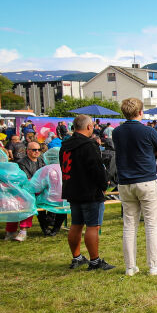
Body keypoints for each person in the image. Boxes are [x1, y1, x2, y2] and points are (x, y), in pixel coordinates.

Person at [113, 97, 157, 277]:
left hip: (125, 182)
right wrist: (148, 151)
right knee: (152, 224)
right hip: (147, 180)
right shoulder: (148, 131)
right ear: (141, 112)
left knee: (129, 225)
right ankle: (154, 264)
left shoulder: (117, 132)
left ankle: (130, 266)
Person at [60, 115, 114, 270]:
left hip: (72, 189)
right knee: (92, 226)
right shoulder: (88, 145)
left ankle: (76, 257)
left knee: (76, 224)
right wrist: (103, 185)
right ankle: (95, 260)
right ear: (89, 127)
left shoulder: (65, 145)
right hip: (89, 190)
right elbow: (96, 169)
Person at [29, 147, 70, 237]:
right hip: (66, 199)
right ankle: (56, 228)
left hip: (48, 200)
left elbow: (35, 187)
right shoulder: (68, 168)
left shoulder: (45, 170)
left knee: (38, 205)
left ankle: (45, 228)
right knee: (63, 208)